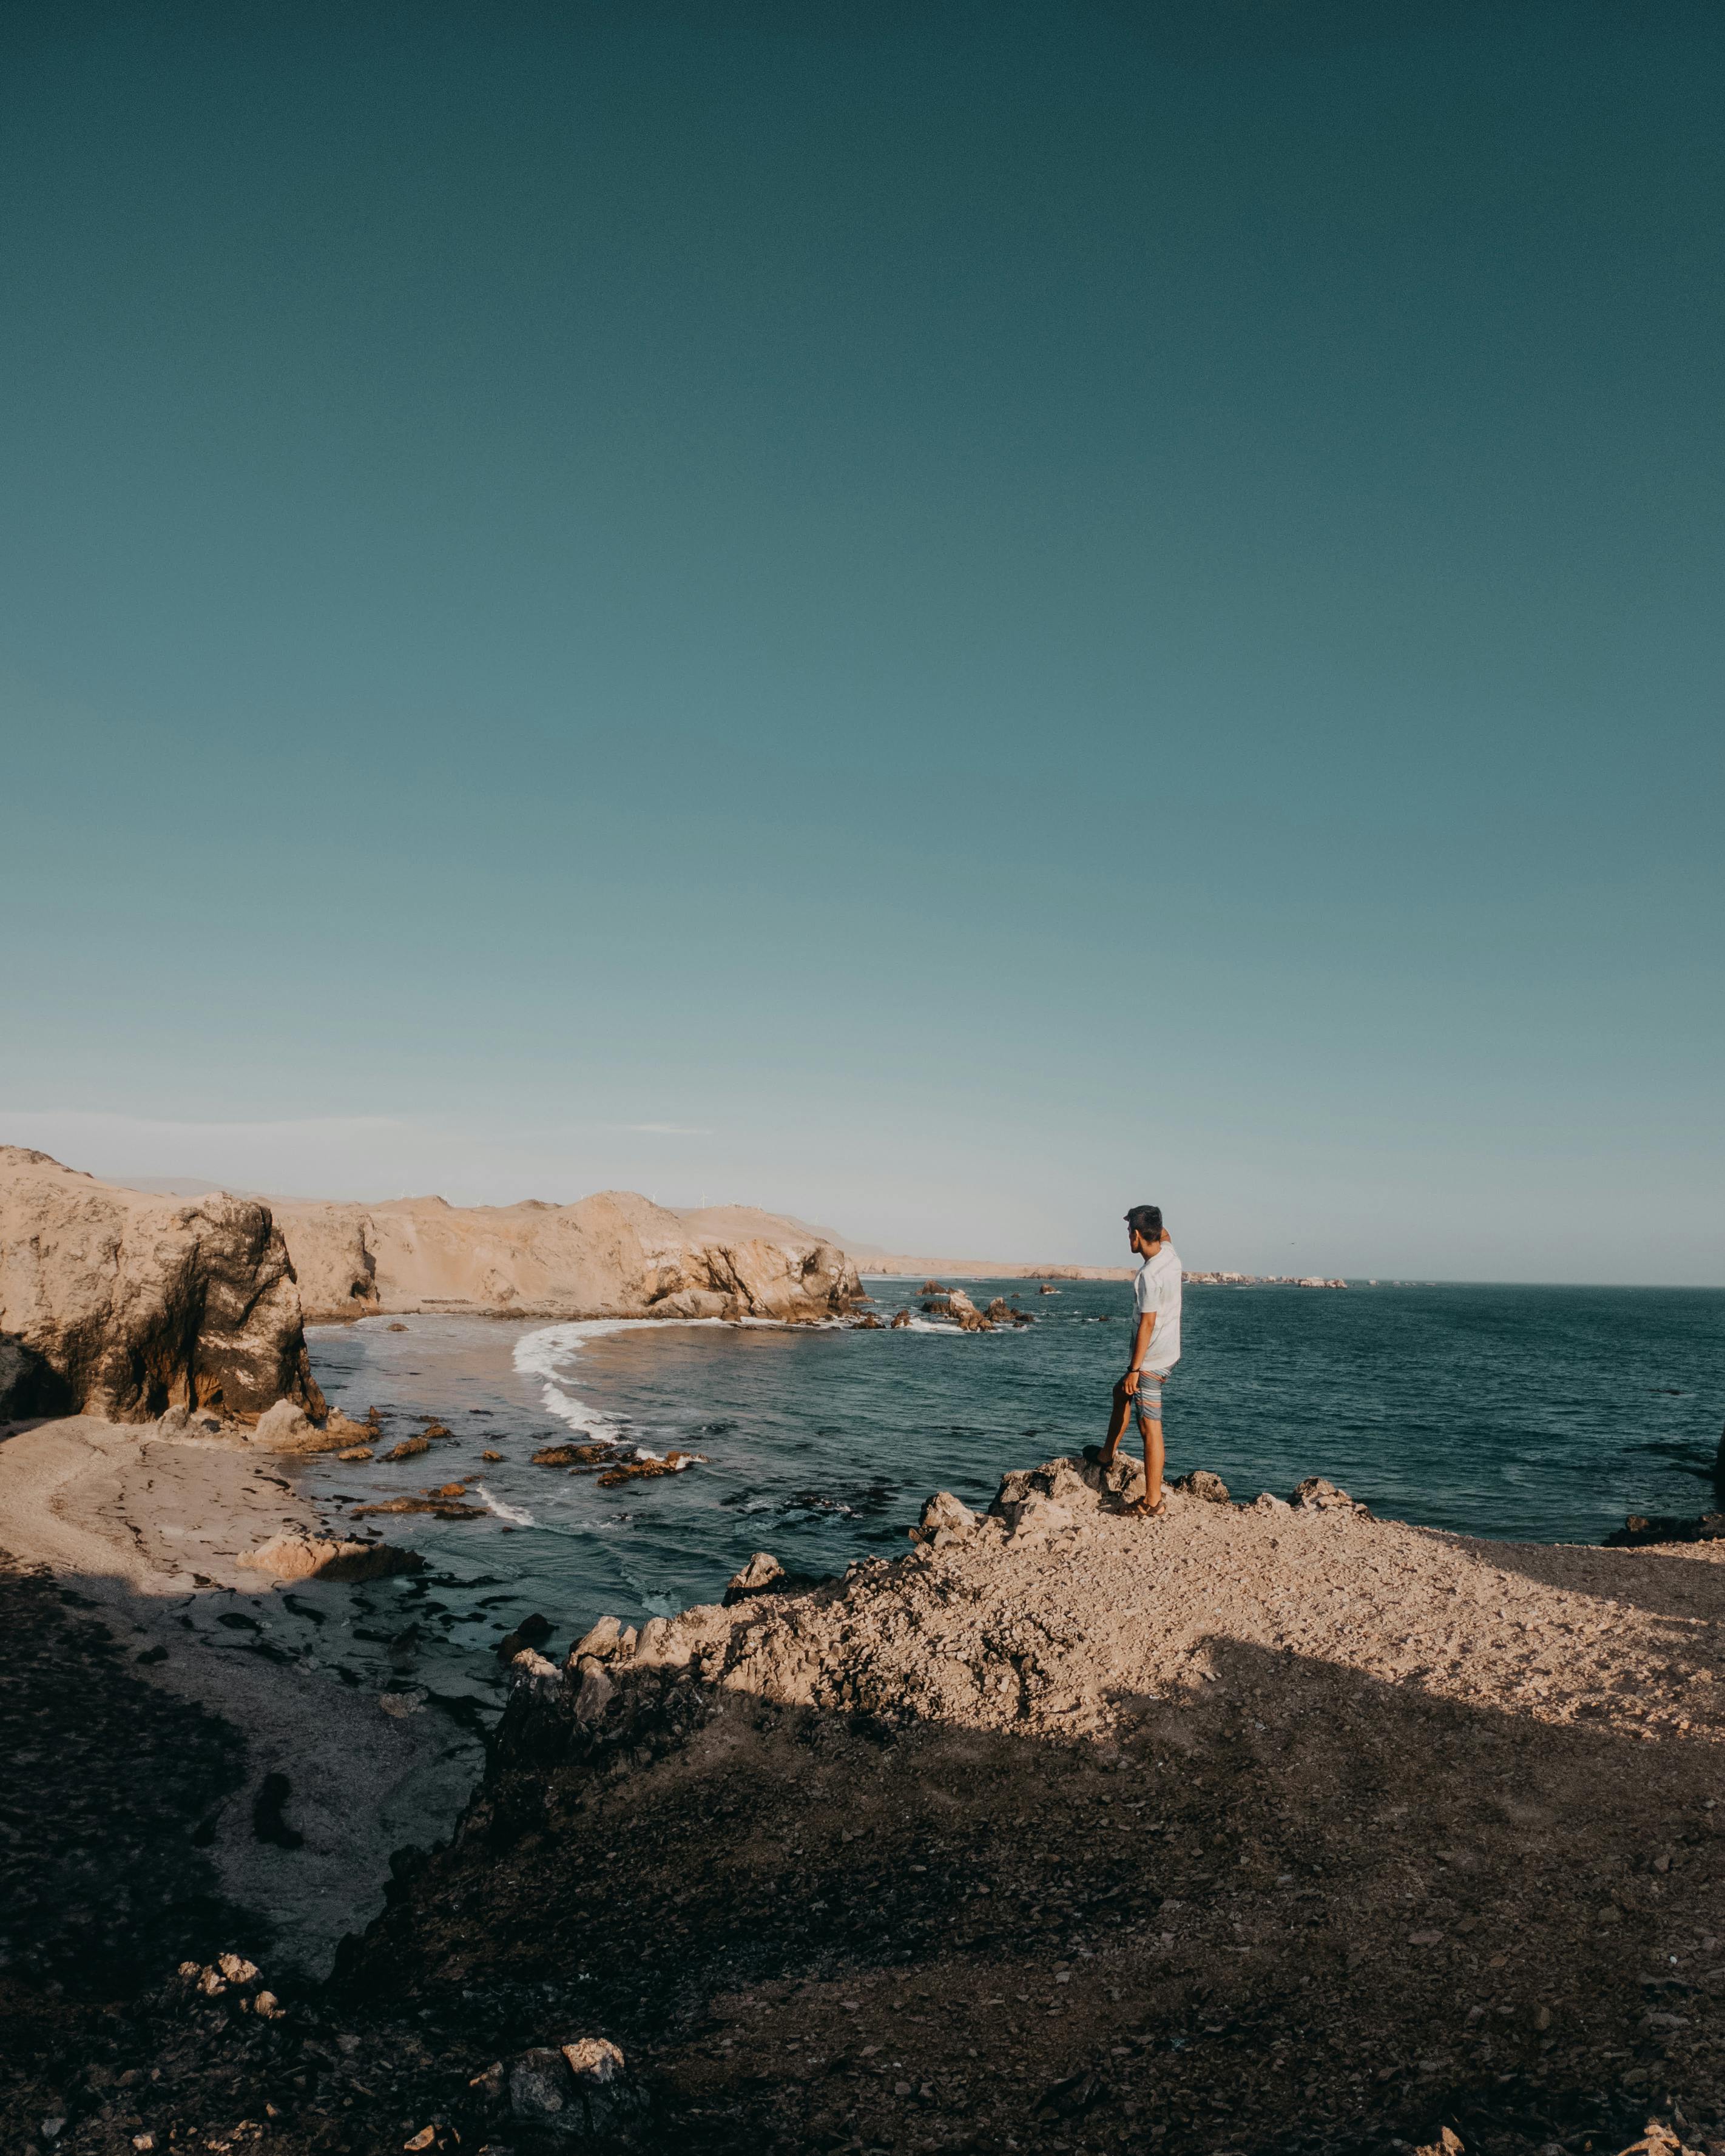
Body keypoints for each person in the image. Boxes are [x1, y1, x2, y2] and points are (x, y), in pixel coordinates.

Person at [1085, 1203, 1182, 1518]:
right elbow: (1165, 1233)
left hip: (1151, 1361)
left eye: (1130, 1231)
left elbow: (1148, 1323)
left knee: (1149, 1426)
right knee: (1120, 1393)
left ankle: (1153, 1502)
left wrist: (1134, 1370)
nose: (1128, 1236)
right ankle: (1106, 1455)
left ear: (1138, 1236)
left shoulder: (1149, 1275)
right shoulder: (1170, 1255)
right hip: (1169, 1352)